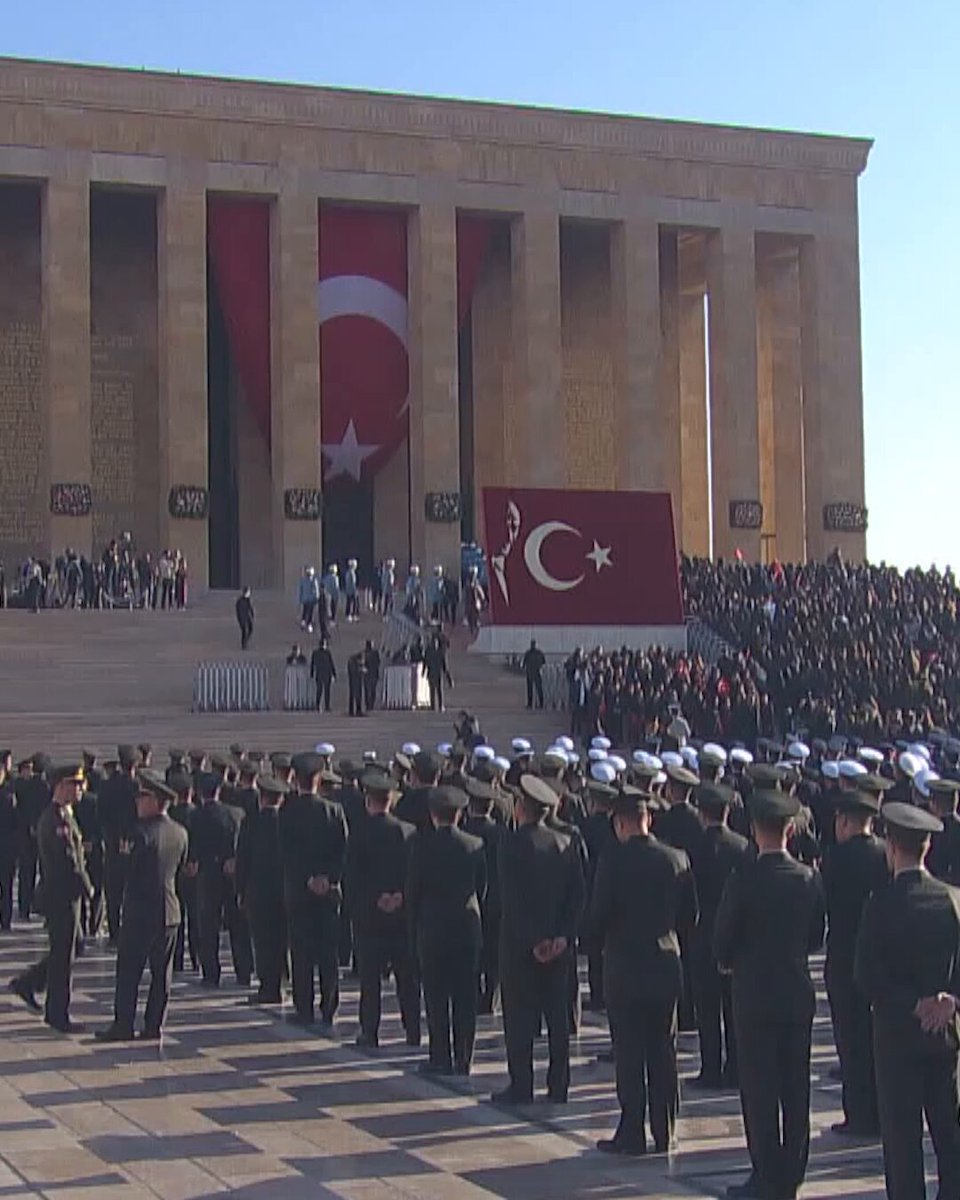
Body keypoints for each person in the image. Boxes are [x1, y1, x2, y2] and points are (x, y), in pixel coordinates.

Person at [714, 788, 826, 1200]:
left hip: (754, 996)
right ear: (791, 830)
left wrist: (731, 960)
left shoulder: (745, 879)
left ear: (754, 829)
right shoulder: (810, 878)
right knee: (796, 1089)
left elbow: (723, 941)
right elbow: (816, 936)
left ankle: (765, 1174)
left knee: (760, 1091)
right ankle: (792, 1173)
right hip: (796, 994)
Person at [855, 801, 960, 1200]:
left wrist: (911, 1004)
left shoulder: (880, 904)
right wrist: (949, 1001)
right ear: (927, 848)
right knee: (949, 1137)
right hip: (943, 1036)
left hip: (897, 1037)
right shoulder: (951, 900)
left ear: (891, 848)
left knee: (902, 1145)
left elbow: (866, 977)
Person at [591, 786, 698, 1156]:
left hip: (625, 966)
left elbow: (599, 915)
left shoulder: (613, 861)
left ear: (620, 824)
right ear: (647, 819)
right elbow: (689, 916)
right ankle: (665, 1127)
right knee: (663, 1049)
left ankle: (632, 1130)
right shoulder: (677, 858)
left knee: (630, 1051)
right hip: (665, 963)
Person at [495, 774, 585, 1105]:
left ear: (521, 808)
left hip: (521, 946)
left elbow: (512, 898)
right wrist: (561, 936)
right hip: (558, 947)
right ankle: (558, 1084)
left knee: (519, 1018)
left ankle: (522, 1084)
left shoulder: (512, 843)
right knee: (557, 1020)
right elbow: (577, 895)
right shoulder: (566, 842)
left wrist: (535, 940)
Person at [95, 771, 188, 1042]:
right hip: (170, 911)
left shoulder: (139, 834)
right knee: (161, 974)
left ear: (155, 801)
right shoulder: (180, 833)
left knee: (129, 971)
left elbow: (125, 871)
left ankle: (123, 1024)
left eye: (142, 798)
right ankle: (153, 1025)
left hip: (140, 911)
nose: (137, 803)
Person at [821, 787, 888, 1137]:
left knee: (850, 1039)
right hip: (883, 959)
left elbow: (826, 904)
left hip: (846, 957)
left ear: (845, 822)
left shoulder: (837, 858)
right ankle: (880, 1111)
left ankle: (858, 1113)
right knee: (877, 1039)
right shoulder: (884, 855)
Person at [406, 784, 486, 1076]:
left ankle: (440, 1055)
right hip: (467, 928)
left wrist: (412, 928)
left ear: (432, 814)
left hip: (433, 929)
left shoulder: (420, 846)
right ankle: (464, 1056)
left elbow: (413, 892)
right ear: (459, 814)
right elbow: (482, 888)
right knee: (466, 996)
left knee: (437, 996)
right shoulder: (475, 845)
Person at [8, 764, 93, 1033]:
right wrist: (89, 888)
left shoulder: (65, 815)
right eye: (74, 784)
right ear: (60, 786)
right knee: (64, 953)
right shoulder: (56, 819)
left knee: (72, 947)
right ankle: (57, 1013)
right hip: (61, 896)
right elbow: (70, 862)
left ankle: (28, 983)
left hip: (67, 895)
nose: (80, 789)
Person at [346, 772, 420, 1049]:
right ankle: (412, 1029)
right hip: (402, 918)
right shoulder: (408, 832)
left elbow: (352, 876)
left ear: (368, 800)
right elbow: (414, 873)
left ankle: (370, 1031)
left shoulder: (359, 831)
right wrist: (400, 897)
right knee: (407, 978)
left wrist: (373, 900)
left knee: (370, 979)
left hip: (371, 917)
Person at [688, 782, 751, 1091]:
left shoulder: (691, 846)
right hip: (737, 937)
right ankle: (736, 1067)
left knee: (707, 1008)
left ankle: (710, 1067)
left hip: (701, 934)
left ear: (702, 813)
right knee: (733, 1007)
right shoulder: (742, 847)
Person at [279, 752, 349, 1030]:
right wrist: (329, 878)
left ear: (296, 779)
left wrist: (307, 879)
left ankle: (304, 1006)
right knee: (327, 952)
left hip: (299, 890)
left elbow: (285, 852)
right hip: (328, 893)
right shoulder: (334, 811)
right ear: (319, 779)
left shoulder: (287, 811)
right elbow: (343, 850)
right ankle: (329, 1005)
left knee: (302, 951)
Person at [189, 771, 252, 988]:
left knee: (208, 926)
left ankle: (211, 973)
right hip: (232, 874)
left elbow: (193, 846)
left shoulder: (195, 816)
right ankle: (243, 971)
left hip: (208, 874)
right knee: (238, 924)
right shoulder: (237, 813)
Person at [236, 776, 288, 1005]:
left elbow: (242, 858)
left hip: (258, 891)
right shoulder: (288, 822)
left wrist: (240, 889)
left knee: (263, 940)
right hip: (284, 890)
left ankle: (268, 986)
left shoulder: (251, 822)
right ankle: (281, 983)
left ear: (262, 798)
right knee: (281, 938)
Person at [98, 745, 139, 942]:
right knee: (133, 892)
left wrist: (112, 839)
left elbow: (102, 816)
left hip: (113, 845)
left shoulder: (107, 786)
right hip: (134, 845)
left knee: (113, 892)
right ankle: (130, 931)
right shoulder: (138, 787)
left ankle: (114, 932)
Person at [424, 632, 453, 713]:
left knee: (438, 691)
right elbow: (425, 662)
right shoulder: (430, 652)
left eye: (435, 642)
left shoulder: (439, 653)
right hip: (432, 673)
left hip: (437, 674)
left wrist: (449, 678)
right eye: (433, 642)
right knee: (432, 691)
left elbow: (445, 667)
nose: (434, 644)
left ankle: (440, 706)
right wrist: (424, 671)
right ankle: (433, 706)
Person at [310, 638, 337, 712]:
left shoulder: (317, 653)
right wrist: (334, 674)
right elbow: (331, 664)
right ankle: (324, 706)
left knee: (322, 691)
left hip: (322, 674)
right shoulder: (326, 653)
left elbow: (312, 664)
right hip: (324, 674)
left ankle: (320, 705)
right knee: (323, 691)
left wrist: (312, 673)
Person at [521, 639, 546, 710]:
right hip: (534, 673)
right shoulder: (538, 653)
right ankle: (537, 703)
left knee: (535, 689)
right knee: (535, 689)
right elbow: (544, 662)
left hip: (532, 673)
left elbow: (524, 663)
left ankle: (533, 704)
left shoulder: (529, 653)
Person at [298, 566, 320, 632]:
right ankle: (309, 625)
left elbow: (300, 590)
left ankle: (303, 622)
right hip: (311, 600)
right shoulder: (313, 580)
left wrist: (300, 598)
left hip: (305, 599)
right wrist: (317, 598)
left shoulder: (302, 580)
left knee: (305, 611)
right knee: (310, 612)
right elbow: (316, 591)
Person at [363, 639, 381, 712]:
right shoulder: (375, 653)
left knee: (367, 690)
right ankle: (371, 705)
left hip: (367, 674)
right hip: (374, 674)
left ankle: (368, 705)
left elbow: (364, 664)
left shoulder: (364, 654)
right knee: (373, 690)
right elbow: (378, 662)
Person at [347, 650, 366, 718]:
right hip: (355, 681)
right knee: (356, 695)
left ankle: (353, 710)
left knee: (353, 696)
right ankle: (357, 710)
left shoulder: (352, 661)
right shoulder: (353, 662)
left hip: (354, 681)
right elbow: (354, 672)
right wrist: (361, 670)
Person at [343, 558, 360, 622]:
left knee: (349, 602)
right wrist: (355, 590)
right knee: (354, 603)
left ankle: (348, 615)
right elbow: (353, 583)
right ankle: (353, 615)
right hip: (352, 591)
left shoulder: (347, 572)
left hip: (348, 590)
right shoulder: (352, 573)